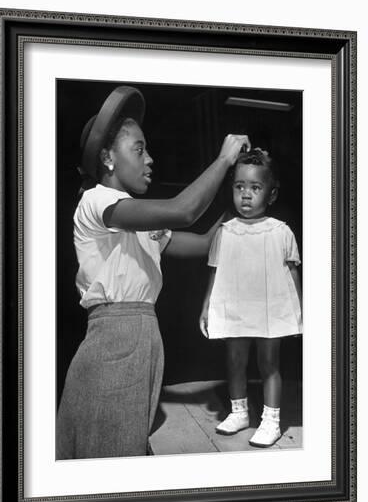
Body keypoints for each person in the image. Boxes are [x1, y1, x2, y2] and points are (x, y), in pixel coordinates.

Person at [56, 85, 250, 459]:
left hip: (143, 338)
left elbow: (207, 242)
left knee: (123, 451)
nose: (150, 160)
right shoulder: (98, 201)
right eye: (139, 149)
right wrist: (223, 159)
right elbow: (182, 210)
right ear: (108, 159)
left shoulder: (139, 222)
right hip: (114, 341)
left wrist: (239, 196)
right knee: (109, 462)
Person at [199, 148, 302, 447]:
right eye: (239, 187)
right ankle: (239, 412)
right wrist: (206, 306)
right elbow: (214, 271)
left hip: (270, 308)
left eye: (255, 188)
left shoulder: (281, 231)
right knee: (235, 360)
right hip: (236, 305)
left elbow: (292, 273)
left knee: (269, 362)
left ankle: (271, 421)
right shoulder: (225, 231)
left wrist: (300, 311)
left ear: (270, 195)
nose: (246, 195)